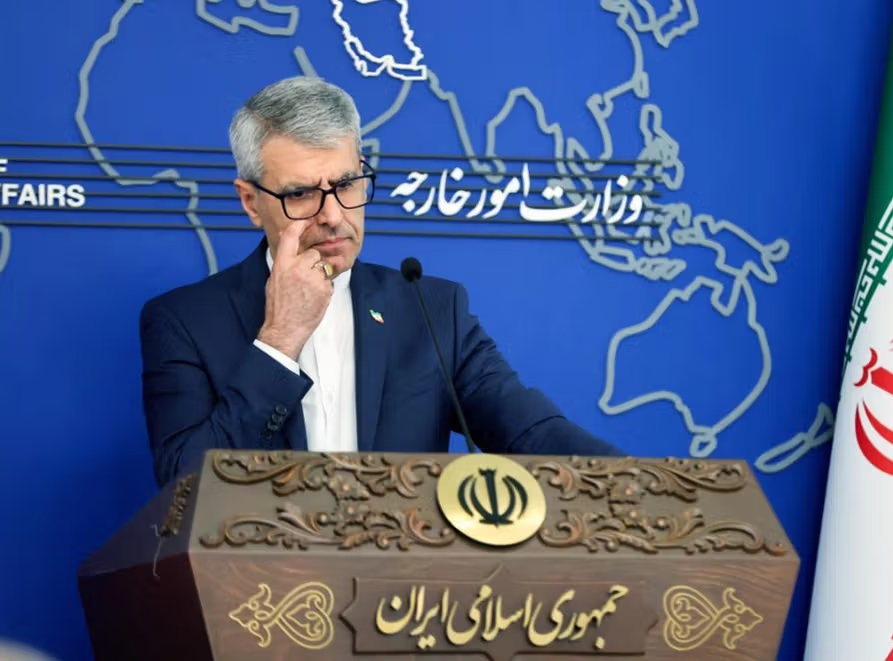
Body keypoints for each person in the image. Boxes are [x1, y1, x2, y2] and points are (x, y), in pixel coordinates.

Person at [139, 76, 624, 487]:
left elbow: (529, 431)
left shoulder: (432, 310)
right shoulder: (184, 321)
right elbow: (186, 486)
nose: (333, 215)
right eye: (301, 194)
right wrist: (279, 340)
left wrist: (634, 483)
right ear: (250, 202)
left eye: (347, 184)